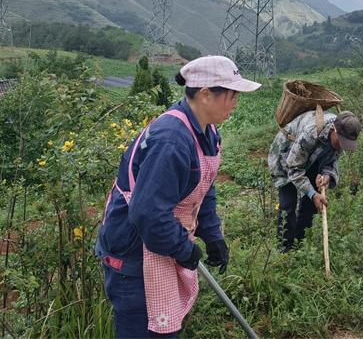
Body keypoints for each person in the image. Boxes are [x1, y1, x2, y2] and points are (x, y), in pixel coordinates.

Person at [96, 56, 261, 338]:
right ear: (206, 94)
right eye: (232, 95)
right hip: (135, 254)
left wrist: (212, 235)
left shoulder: (208, 132)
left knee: (165, 330)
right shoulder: (172, 140)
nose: (235, 103)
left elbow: (204, 186)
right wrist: (182, 248)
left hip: (160, 243)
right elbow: (147, 214)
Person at [268, 109, 361, 252]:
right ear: (334, 130)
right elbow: (293, 168)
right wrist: (312, 192)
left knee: (312, 203)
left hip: (311, 157)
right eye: (341, 142)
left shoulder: (342, 132)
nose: (342, 146)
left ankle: (300, 244)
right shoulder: (311, 133)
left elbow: (331, 159)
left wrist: (327, 175)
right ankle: (285, 250)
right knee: (288, 203)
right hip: (286, 158)